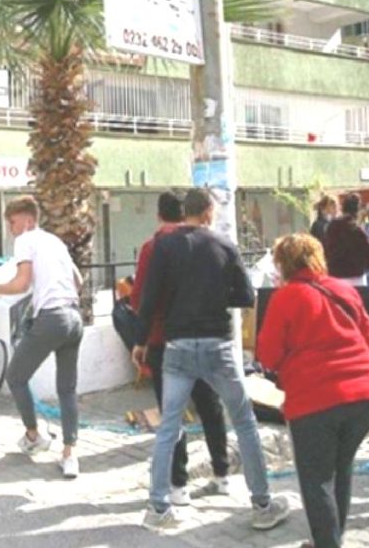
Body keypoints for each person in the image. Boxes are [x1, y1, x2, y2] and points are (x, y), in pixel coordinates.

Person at [133, 188, 289, 530]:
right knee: (244, 421)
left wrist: (140, 341)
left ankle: (158, 508)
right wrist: (217, 293)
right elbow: (247, 296)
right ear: (206, 212)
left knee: (169, 426)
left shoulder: (163, 246)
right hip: (218, 345)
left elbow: (148, 300)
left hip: (177, 346)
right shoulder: (223, 245)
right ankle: (262, 503)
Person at [257, 234, 369, 548]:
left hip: (315, 401)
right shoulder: (344, 289)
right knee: (341, 469)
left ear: (282, 264)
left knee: (317, 481)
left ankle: (328, 543)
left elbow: (268, 354)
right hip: (364, 396)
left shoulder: (286, 298)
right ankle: (331, 538)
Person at [131, 192, 230, 504]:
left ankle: (179, 485)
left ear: (160, 215)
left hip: (166, 339)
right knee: (210, 405)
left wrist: (141, 339)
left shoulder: (155, 246)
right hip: (206, 335)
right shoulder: (208, 241)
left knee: (171, 411)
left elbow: (141, 299)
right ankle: (222, 474)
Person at [0, 195, 84, 478]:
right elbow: (79, 282)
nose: (11, 229)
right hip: (75, 318)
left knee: (15, 377)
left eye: (12, 222)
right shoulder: (56, 241)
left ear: (27, 220)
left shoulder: (26, 240)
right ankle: (70, 455)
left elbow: (22, 282)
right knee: (67, 388)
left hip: (52, 318)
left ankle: (34, 435)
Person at [323, 193, 369, 286]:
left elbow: (325, 249)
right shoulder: (357, 230)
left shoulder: (331, 227)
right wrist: (364, 267)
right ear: (357, 210)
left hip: (334, 275)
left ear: (343, 208)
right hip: (354, 276)